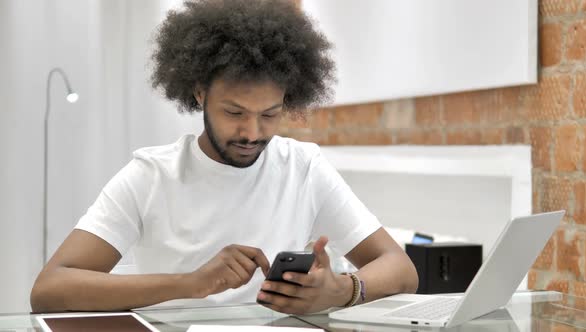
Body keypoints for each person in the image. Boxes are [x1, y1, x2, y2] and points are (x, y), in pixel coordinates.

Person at [30, 0, 418, 314]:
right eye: (234, 113)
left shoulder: (303, 167)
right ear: (200, 94)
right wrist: (190, 284)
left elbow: (401, 269)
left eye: (269, 115)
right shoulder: (151, 175)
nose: (252, 133)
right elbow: (50, 289)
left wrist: (343, 290)